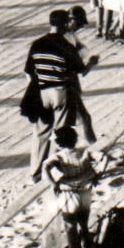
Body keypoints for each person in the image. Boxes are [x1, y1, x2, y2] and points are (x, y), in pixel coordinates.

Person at [25, 9, 99, 182]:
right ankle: (57, 171)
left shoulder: (37, 43)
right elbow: (81, 70)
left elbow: (28, 72)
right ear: (65, 24)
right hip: (61, 92)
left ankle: (35, 174)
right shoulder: (65, 45)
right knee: (61, 133)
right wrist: (92, 62)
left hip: (41, 93)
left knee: (41, 133)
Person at [43, 126, 96, 248]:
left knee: (71, 234)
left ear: (59, 143)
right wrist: (97, 175)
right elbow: (103, 158)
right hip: (85, 194)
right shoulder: (83, 152)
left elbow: (45, 168)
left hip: (68, 196)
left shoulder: (59, 156)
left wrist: (54, 183)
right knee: (84, 228)